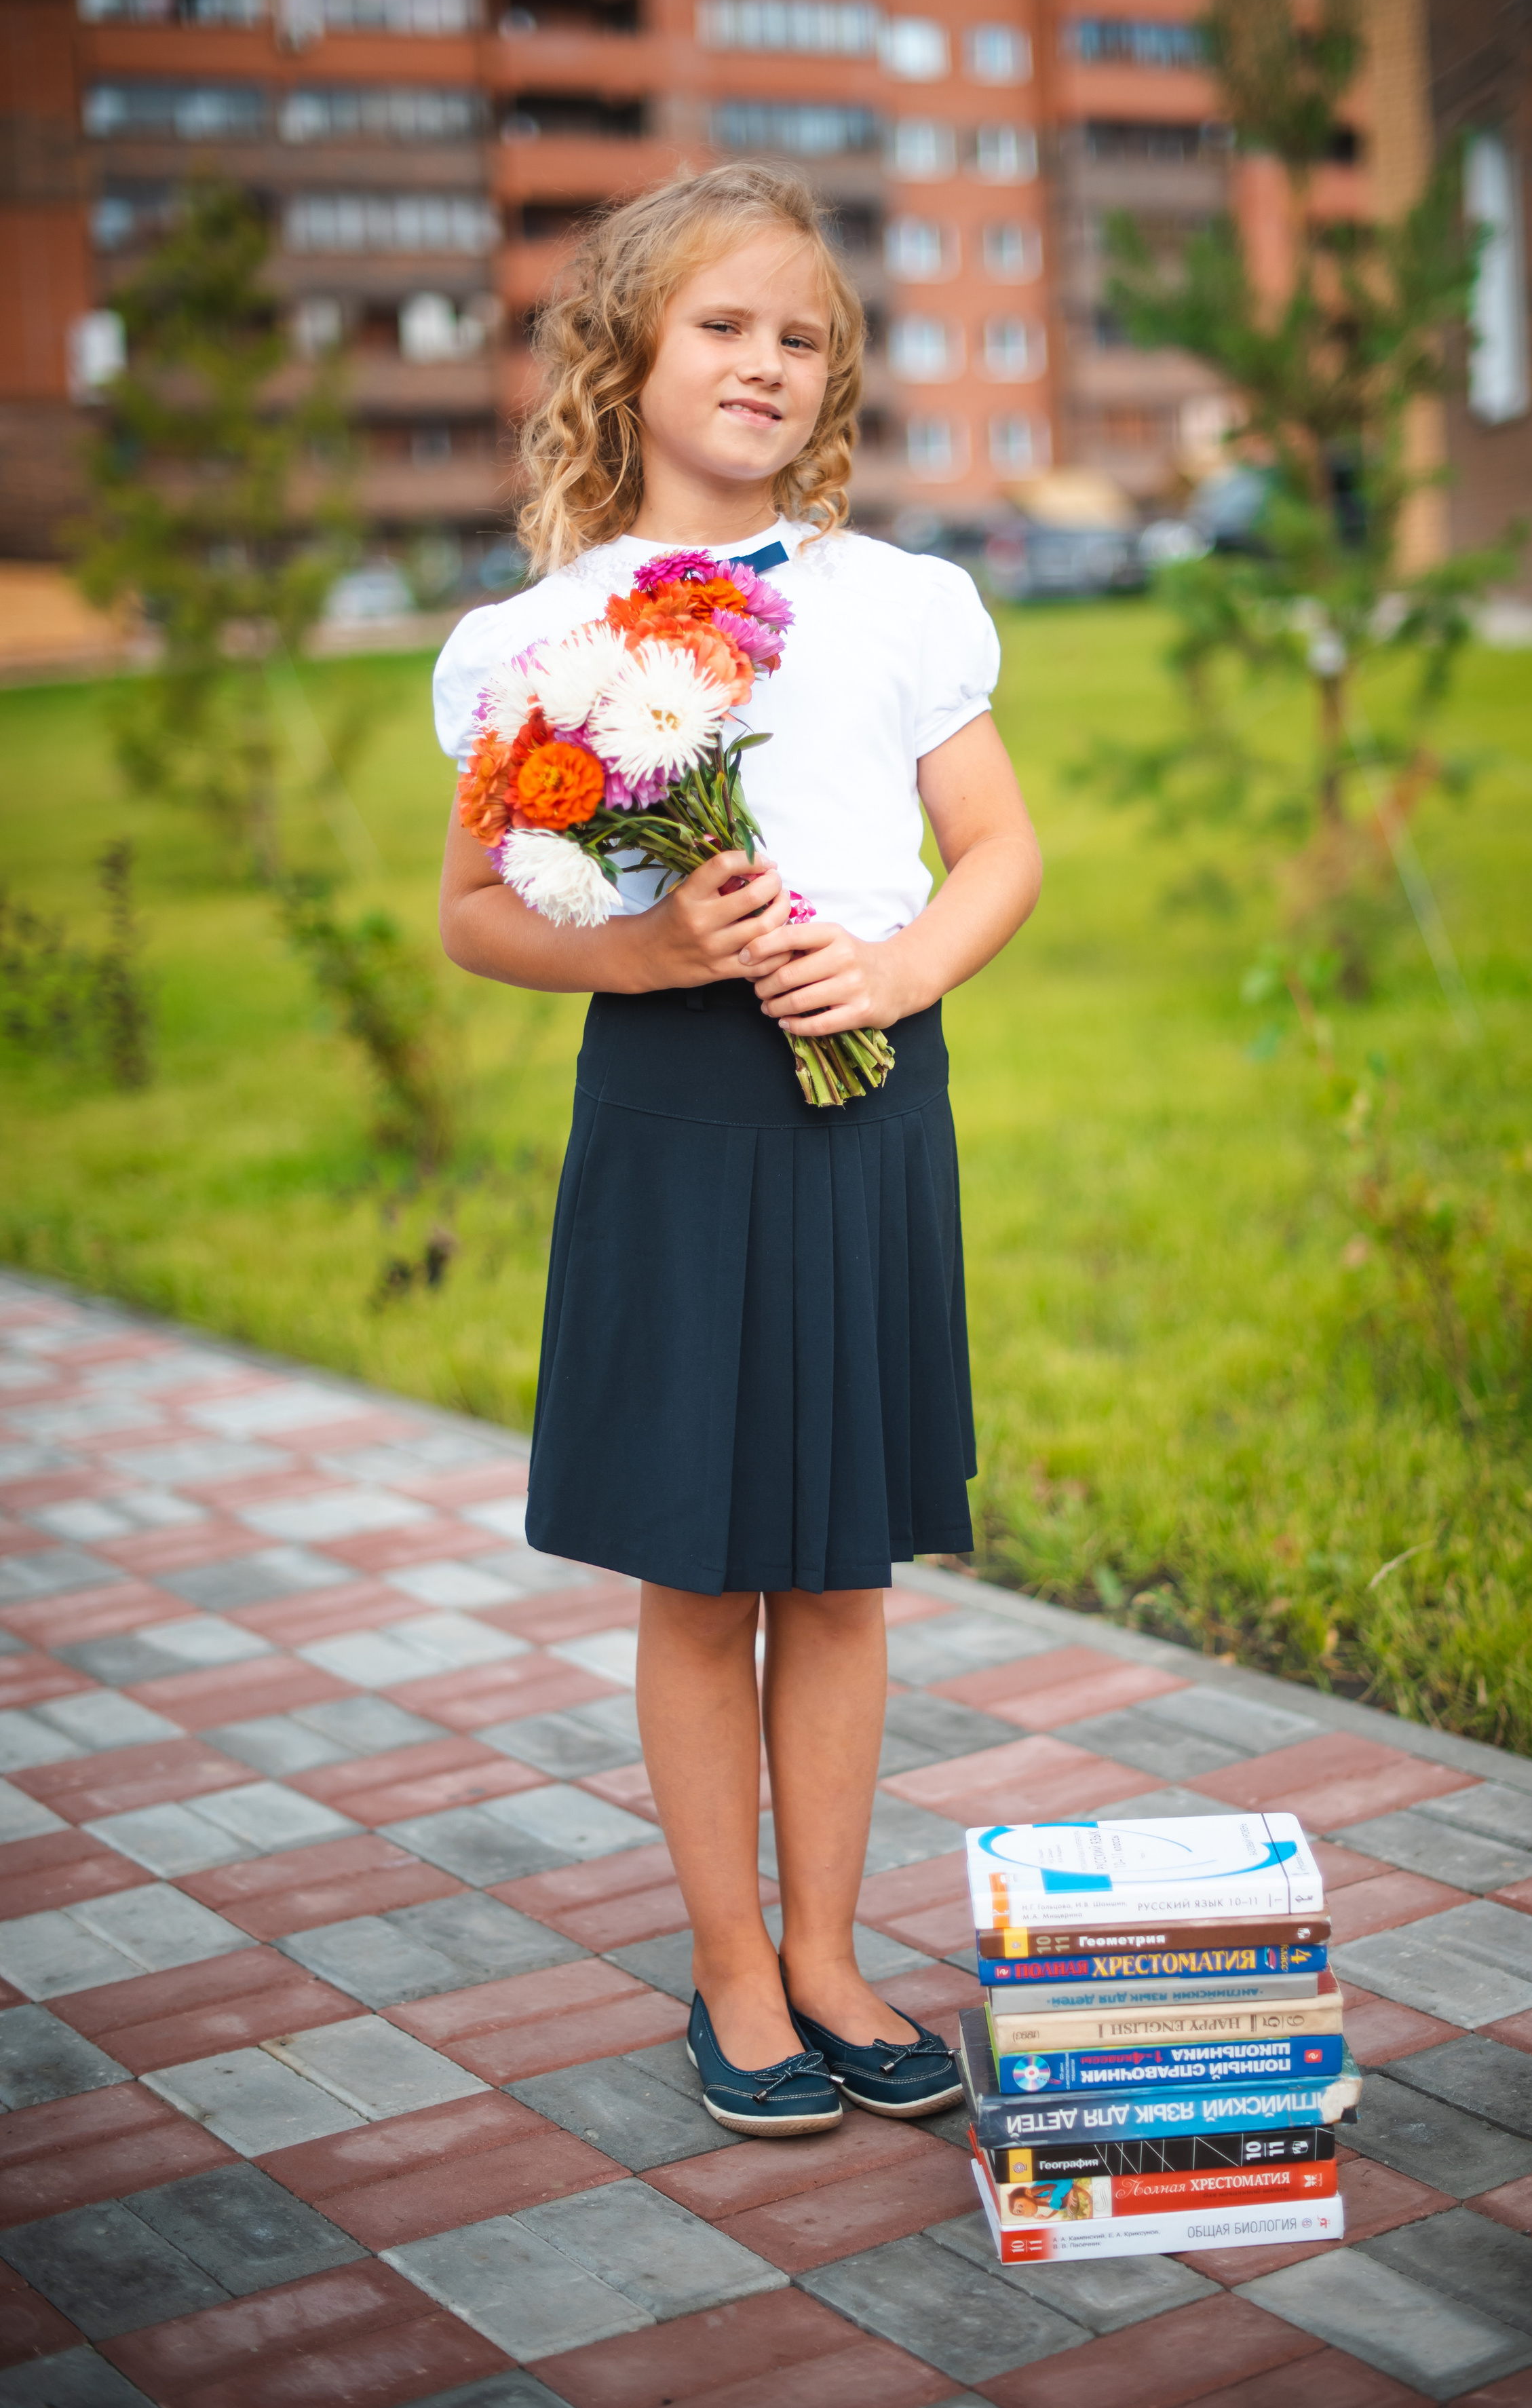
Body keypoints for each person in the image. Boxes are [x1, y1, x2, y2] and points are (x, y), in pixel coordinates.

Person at [434, 162, 1041, 2138]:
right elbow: (473, 913)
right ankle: (728, 1973)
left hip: (873, 1098)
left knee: (841, 1565)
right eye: (723, 325)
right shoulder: (536, 637)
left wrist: (895, 976)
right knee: (701, 1573)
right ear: (628, 352)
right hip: (677, 1110)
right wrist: (642, 942)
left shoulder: (897, 601)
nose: (765, 363)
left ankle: (834, 1949)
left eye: (802, 336)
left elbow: (1004, 850)